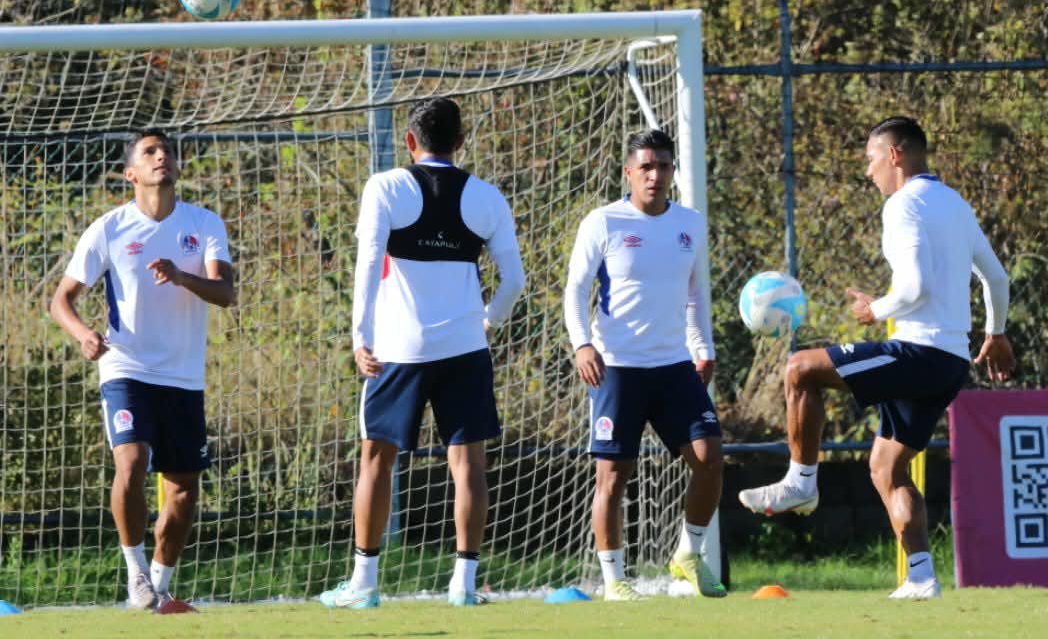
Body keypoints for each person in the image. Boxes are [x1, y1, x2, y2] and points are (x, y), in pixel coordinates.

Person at [739, 116, 1014, 599]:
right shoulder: (955, 204)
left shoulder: (902, 205)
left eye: (870, 160)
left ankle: (801, 482)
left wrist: (876, 309)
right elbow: (997, 278)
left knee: (800, 368)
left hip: (917, 352)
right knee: (887, 468)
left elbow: (914, 288)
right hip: (948, 363)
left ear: (895, 156)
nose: (868, 172)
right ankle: (923, 576)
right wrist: (996, 332)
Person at [321, 97, 525, 609]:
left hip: (398, 348)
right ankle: (464, 585)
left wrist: (359, 336)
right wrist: (488, 320)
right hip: (464, 347)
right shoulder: (486, 197)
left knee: (376, 459)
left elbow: (368, 263)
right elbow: (515, 282)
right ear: (461, 143)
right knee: (468, 462)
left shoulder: (386, 186)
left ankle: (364, 585)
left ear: (410, 142)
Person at [50, 130, 234, 610]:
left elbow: (225, 293)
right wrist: (83, 334)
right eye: (150, 152)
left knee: (183, 491)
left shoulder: (205, 223)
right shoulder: (109, 228)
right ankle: (135, 574)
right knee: (130, 463)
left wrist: (180, 276)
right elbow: (61, 300)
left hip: (183, 375)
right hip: (125, 366)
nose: (162, 157)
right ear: (130, 173)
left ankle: (159, 583)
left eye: (167, 151)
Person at [564, 128, 725, 601]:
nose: (656, 176)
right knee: (613, 477)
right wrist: (581, 345)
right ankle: (615, 580)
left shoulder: (690, 223)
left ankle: (687, 554)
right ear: (629, 172)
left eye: (664, 167)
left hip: (675, 366)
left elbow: (695, 293)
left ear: (673, 171)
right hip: (617, 367)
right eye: (647, 167)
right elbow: (575, 289)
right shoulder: (604, 222)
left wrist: (703, 346)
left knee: (710, 459)